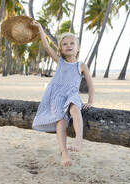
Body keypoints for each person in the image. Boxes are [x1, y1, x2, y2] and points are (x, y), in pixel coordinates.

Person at [31, 20, 94, 167]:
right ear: (61, 49)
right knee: (61, 121)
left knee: (75, 108)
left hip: (72, 94)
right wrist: (41, 28)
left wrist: (90, 101)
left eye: (72, 43)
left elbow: (91, 86)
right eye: (65, 44)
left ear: (77, 48)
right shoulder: (60, 61)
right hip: (57, 95)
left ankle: (79, 140)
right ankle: (64, 152)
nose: (69, 46)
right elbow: (46, 46)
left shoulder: (81, 65)